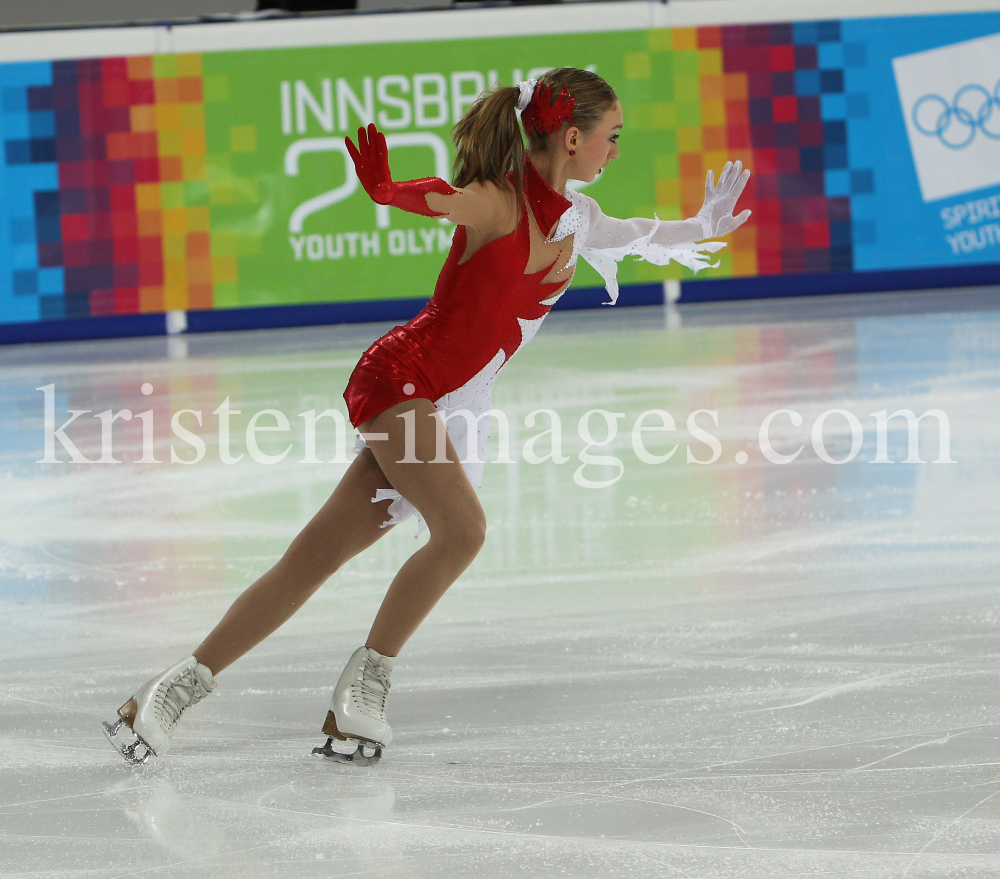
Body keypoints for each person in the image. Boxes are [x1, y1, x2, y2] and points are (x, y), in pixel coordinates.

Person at [102, 68, 751, 766]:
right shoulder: (499, 204)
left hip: (447, 398)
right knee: (463, 529)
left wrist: (703, 226)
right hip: (400, 379)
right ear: (571, 137)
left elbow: (639, 232)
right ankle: (364, 689)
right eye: (611, 137)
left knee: (313, 557)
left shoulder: (578, 220)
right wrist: (384, 191)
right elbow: (443, 198)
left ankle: (166, 694)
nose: (615, 151)